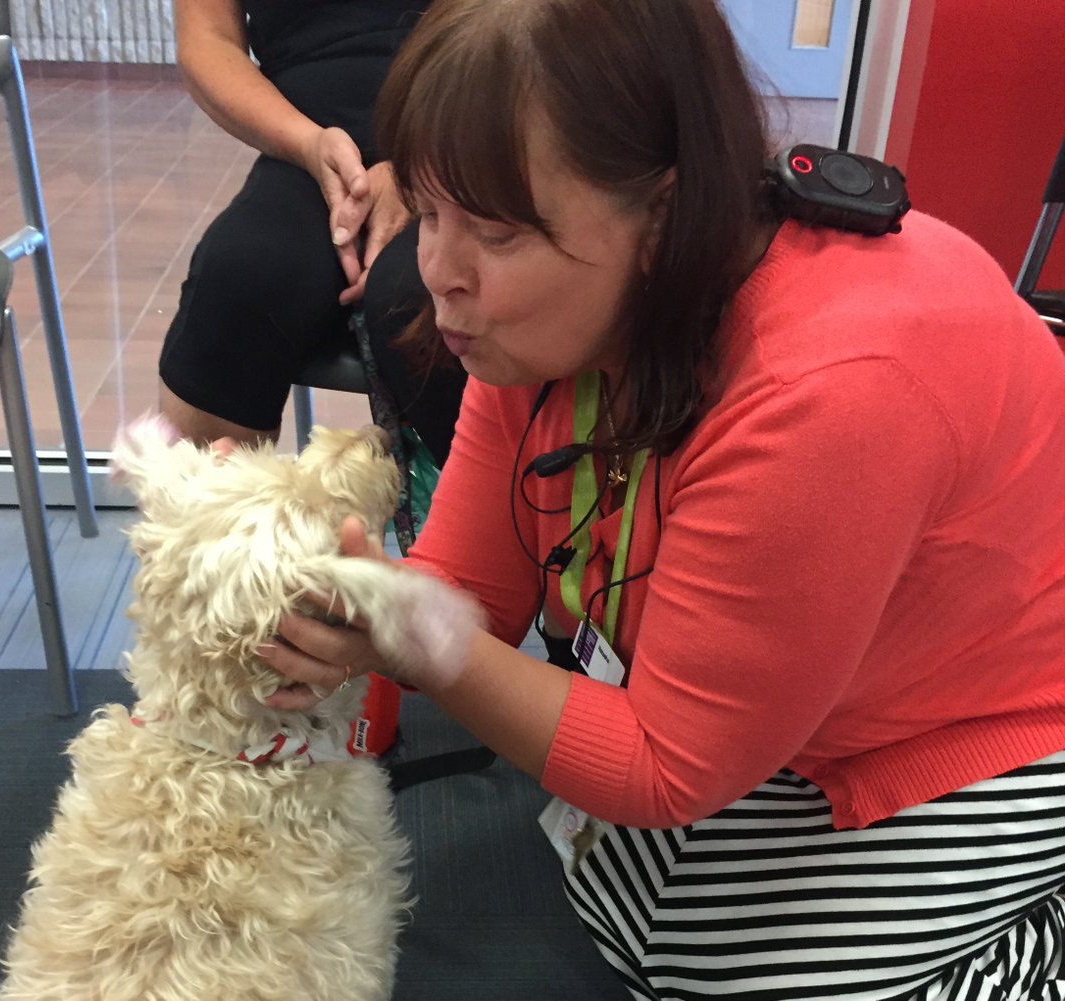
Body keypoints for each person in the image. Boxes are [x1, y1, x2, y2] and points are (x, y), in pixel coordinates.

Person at [254, 0, 1065, 997]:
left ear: (663, 215)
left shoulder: (828, 394)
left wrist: (413, 634)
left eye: (496, 232)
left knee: (709, 965)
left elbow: (663, 768)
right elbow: (472, 585)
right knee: (630, 914)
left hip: (997, 721)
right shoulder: (550, 320)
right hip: (808, 683)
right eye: (427, 212)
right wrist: (368, 614)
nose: (437, 274)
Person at [157, 0, 465, 466]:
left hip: (468, 132)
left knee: (424, 292)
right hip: (309, 143)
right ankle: (209, 512)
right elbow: (208, 39)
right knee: (242, 279)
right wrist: (308, 144)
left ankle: (503, 505)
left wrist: (425, 165)